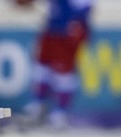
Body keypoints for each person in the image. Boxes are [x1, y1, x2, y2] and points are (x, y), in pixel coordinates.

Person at [16, 0, 95, 128]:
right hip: (52, 27)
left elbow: (86, 7)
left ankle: (61, 113)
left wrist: (77, 23)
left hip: (69, 29)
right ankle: (38, 105)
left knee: (64, 72)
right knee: (42, 66)